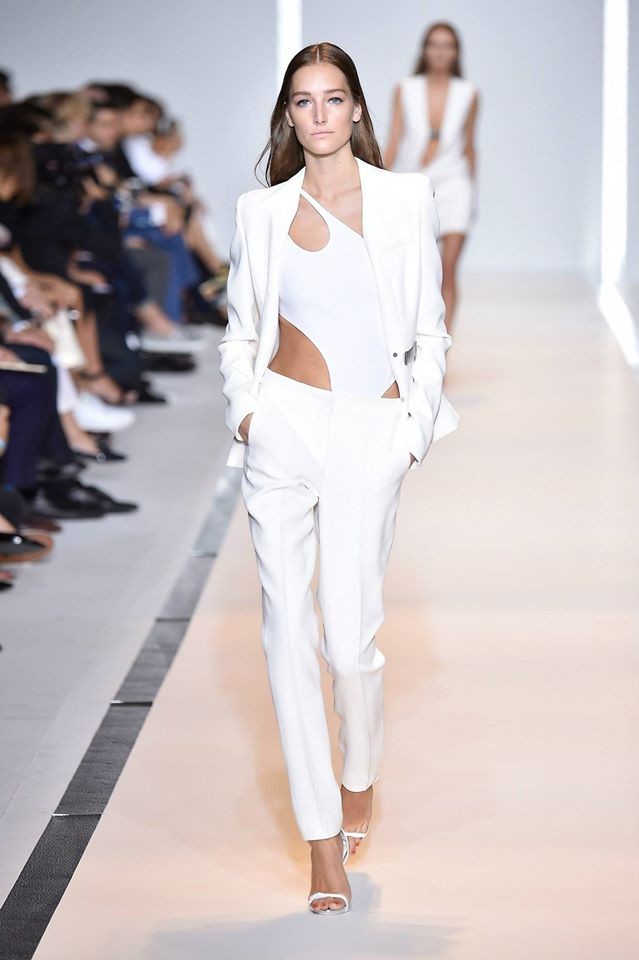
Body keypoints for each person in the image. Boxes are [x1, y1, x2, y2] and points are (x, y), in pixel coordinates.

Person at [217, 41, 459, 916]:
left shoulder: (404, 197)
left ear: (356, 107)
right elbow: (241, 329)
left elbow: (428, 327)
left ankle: (359, 772)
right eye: (302, 100)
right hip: (283, 427)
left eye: (332, 98)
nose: (318, 114)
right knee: (286, 632)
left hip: (369, 430)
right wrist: (247, 414)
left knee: (349, 643)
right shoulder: (258, 210)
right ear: (287, 114)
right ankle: (321, 843)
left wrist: (410, 430)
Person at [384, 22, 479, 333]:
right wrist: (377, 185)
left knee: (448, 270)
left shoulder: (468, 93)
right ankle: (415, 337)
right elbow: (393, 142)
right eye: (434, 44)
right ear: (424, 50)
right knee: (417, 270)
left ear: (456, 52)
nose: (440, 52)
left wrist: (472, 195)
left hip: (455, 184)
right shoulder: (405, 89)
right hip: (414, 185)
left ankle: (441, 347)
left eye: (447, 45)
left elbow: (469, 145)